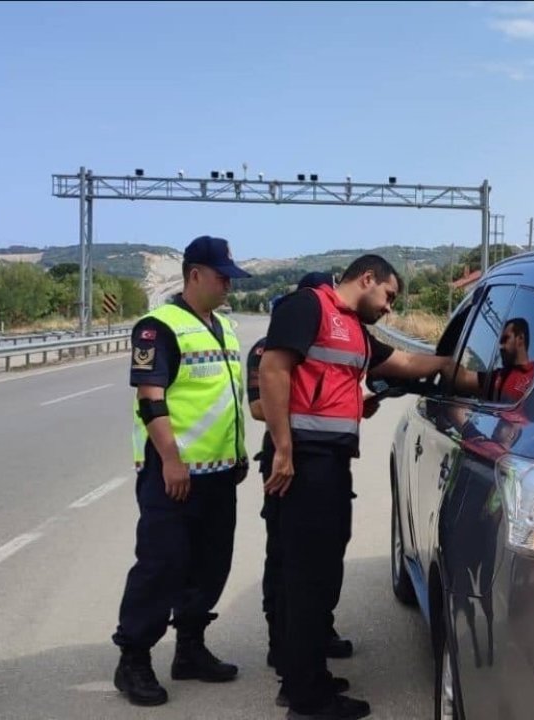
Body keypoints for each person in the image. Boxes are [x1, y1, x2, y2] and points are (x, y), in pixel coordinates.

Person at [259, 254, 455, 720]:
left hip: (324, 464)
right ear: (366, 279)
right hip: (303, 463)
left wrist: (453, 364)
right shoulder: (308, 307)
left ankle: (304, 677)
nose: (389, 308)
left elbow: (400, 361)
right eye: (388, 295)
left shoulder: (350, 326)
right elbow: (272, 370)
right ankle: (307, 700)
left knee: (317, 574)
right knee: (307, 577)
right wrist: (284, 448)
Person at [112, 235, 252, 707]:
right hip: (173, 475)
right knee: (162, 565)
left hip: (218, 474)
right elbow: (151, 400)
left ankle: (190, 649)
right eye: (221, 276)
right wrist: (171, 460)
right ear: (194, 274)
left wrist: (237, 455)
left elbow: (225, 399)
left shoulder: (225, 327)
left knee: (210, 565)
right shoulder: (158, 327)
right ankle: (133, 660)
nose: (228, 284)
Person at [246, 272, 361, 678]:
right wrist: (292, 431)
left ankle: (313, 636)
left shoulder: (335, 339)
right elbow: (260, 406)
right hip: (285, 460)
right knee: (286, 558)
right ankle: (283, 648)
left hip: (313, 458)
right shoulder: (266, 349)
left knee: (319, 561)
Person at [452, 317, 534, 402]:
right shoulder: (497, 377)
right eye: (500, 342)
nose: (500, 347)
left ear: (520, 339)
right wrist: (443, 364)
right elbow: (464, 377)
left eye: (505, 339)